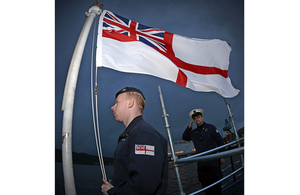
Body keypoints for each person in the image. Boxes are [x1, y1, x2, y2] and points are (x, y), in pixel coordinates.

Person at [101, 87, 168, 195]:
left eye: (117, 103)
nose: (112, 107)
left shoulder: (144, 135)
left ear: (130, 103)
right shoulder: (134, 133)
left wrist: (111, 192)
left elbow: (144, 187)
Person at [182, 109, 225, 195]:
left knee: (216, 186)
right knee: (206, 186)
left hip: (213, 162)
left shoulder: (211, 128)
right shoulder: (194, 132)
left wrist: (222, 155)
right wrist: (189, 128)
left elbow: (219, 141)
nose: (197, 119)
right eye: (194, 119)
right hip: (202, 165)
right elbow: (185, 137)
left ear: (202, 117)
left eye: (198, 117)